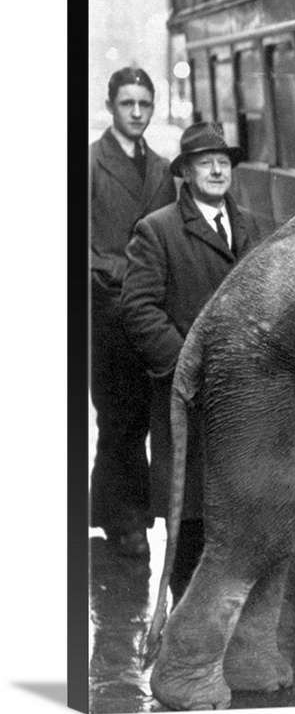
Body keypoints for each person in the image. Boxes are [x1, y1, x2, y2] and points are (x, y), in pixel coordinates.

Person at [121, 122, 263, 597]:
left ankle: (226, 643)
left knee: (241, 525)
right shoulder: (158, 230)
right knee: (191, 526)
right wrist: (188, 365)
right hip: (190, 403)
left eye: (224, 161)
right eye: (206, 162)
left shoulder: (246, 224)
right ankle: (183, 645)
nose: (218, 169)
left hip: (243, 401)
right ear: (185, 172)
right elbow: (138, 310)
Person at [90, 67, 177, 558]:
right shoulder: (88, 164)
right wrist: (117, 268)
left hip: (147, 309)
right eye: (128, 104)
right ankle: (125, 523)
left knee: (145, 415)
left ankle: (117, 511)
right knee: (119, 416)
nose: (138, 113)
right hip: (105, 311)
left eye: (145, 104)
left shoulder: (162, 169)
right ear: (111, 107)